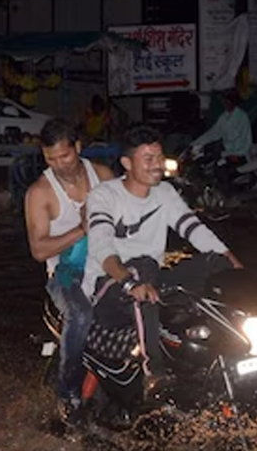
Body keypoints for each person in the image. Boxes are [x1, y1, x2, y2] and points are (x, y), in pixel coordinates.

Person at [83, 124, 243, 400]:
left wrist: (241, 272)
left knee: (213, 263)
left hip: (150, 278)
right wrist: (129, 282)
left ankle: (234, 352)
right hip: (109, 287)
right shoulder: (104, 195)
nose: (157, 165)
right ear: (127, 163)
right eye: (148, 159)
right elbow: (101, 246)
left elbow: (195, 230)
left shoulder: (165, 193)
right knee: (144, 265)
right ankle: (152, 371)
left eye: (159, 158)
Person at [24, 118, 116, 424]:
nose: (60, 165)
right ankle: (68, 393)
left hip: (107, 265)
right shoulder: (40, 193)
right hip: (66, 275)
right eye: (51, 159)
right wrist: (81, 228)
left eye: (65, 156)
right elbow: (38, 251)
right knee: (81, 315)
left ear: (78, 147)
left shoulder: (102, 175)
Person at [190, 87, 252, 165]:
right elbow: (213, 134)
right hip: (226, 155)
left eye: (226, 101)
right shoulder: (224, 117)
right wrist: (195, 144)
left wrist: (235, 154)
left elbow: (246, 142)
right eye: (223, 101)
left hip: (240, 157)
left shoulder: (242, 117)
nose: (224, 103)